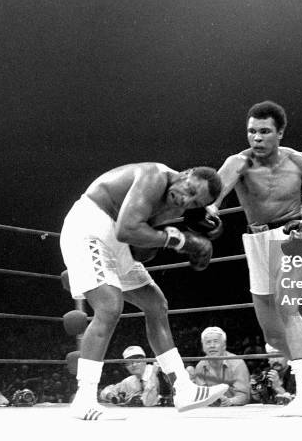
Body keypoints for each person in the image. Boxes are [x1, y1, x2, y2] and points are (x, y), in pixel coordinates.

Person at [60, 163, 228, 420]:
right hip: (91, 228)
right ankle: (84, 399)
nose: (185, 198)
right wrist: (183, 241)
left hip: (118, 241)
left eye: (194, 201)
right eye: (189, 189)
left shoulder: (183, 202)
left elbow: (139, 242)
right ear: (185, 174)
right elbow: (127, 229)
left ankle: (183, 388)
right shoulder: (153, 177)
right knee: (108, 306)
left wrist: (197, 221)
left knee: (155, 304)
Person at [211, 100, 302, 416]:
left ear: (280, 132)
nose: (257, 138)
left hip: (293, 236)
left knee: (287, 307)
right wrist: (210, 211)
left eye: (265, 131)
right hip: (256, 241)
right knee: (272, 335)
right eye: (252, 131)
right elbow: (217, 193)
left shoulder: (299, 162)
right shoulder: (238, 163)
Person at [194, 327, 250, 407]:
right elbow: (201, 396)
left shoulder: (237, 363)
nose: (212, 346)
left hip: (235, 409)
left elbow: (244, 396)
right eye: (208, 342)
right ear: (203, 347)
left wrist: (230, 401)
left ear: (224, 345)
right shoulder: (200, 366)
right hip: (211, 411)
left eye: (216, 342)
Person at [99, 345, 166, 407]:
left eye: (137, 360)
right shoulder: (129, 381)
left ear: (145, 360)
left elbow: (148, 402)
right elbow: (105, 392)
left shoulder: (158, 372)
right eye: (129, 362)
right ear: (125, 366)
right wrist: (112, 397)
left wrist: (154, 374)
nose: (134, 364)